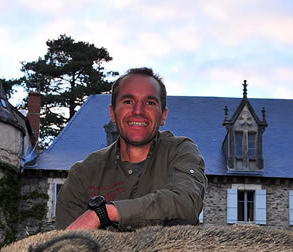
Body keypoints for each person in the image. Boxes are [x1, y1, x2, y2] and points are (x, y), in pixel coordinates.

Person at [55, 67, 207, 230]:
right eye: (128, 101)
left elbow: (186, 201)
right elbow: (67, 244)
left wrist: (104, 213)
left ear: (163, 115)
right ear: (113, 113)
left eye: (150, 103)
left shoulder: (180, 152)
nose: (138, 111)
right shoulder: (83, 174)